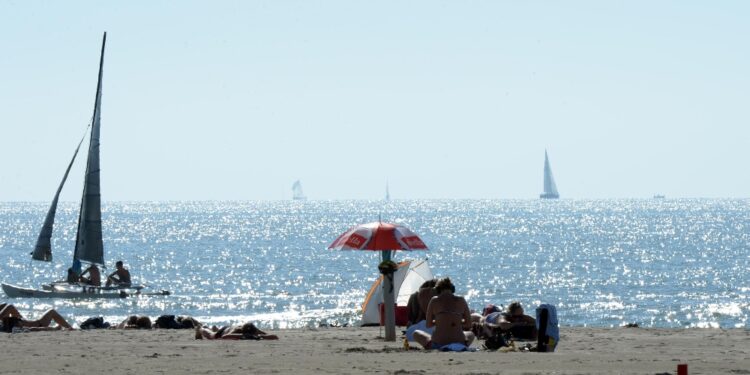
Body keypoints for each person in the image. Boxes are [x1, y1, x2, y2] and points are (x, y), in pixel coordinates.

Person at [413, 277, 475, 350]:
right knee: (471, 334)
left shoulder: (434, 300)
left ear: (438, 289)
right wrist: (456, 322)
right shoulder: (461, 300)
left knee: (416, 333)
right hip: (459, 342)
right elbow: (469, 324)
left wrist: (440, 322)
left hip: (438, 343)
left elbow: (428, 324)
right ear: (452, 289)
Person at [1, 303, 73, 332]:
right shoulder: (22, 327)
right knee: (52, 311)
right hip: (39, 323)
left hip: (28, 321)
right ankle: (69, 327)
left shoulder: (12, 322)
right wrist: (54, 328)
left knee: (9, 306)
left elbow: (7, 306)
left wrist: (19, 318)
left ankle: (68, 327)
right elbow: (36, 329)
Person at [195, 322, 278, 340]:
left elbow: (275, 336)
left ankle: (214, 328)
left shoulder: (254, 330)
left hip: (228, 328)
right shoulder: (237, 331)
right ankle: (201, 328)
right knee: (211, 335)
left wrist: (259, 336)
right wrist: (242, 336)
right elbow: (224, 337)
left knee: (214, 332)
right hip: (224, 331)